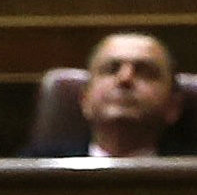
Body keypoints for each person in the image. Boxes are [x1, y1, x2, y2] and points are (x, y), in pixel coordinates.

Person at [25, 27, 183, 163]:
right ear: (84, 100)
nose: (125, 78)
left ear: (173, 106)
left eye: (145, 72)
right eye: (110, 69)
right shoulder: (29, 173)